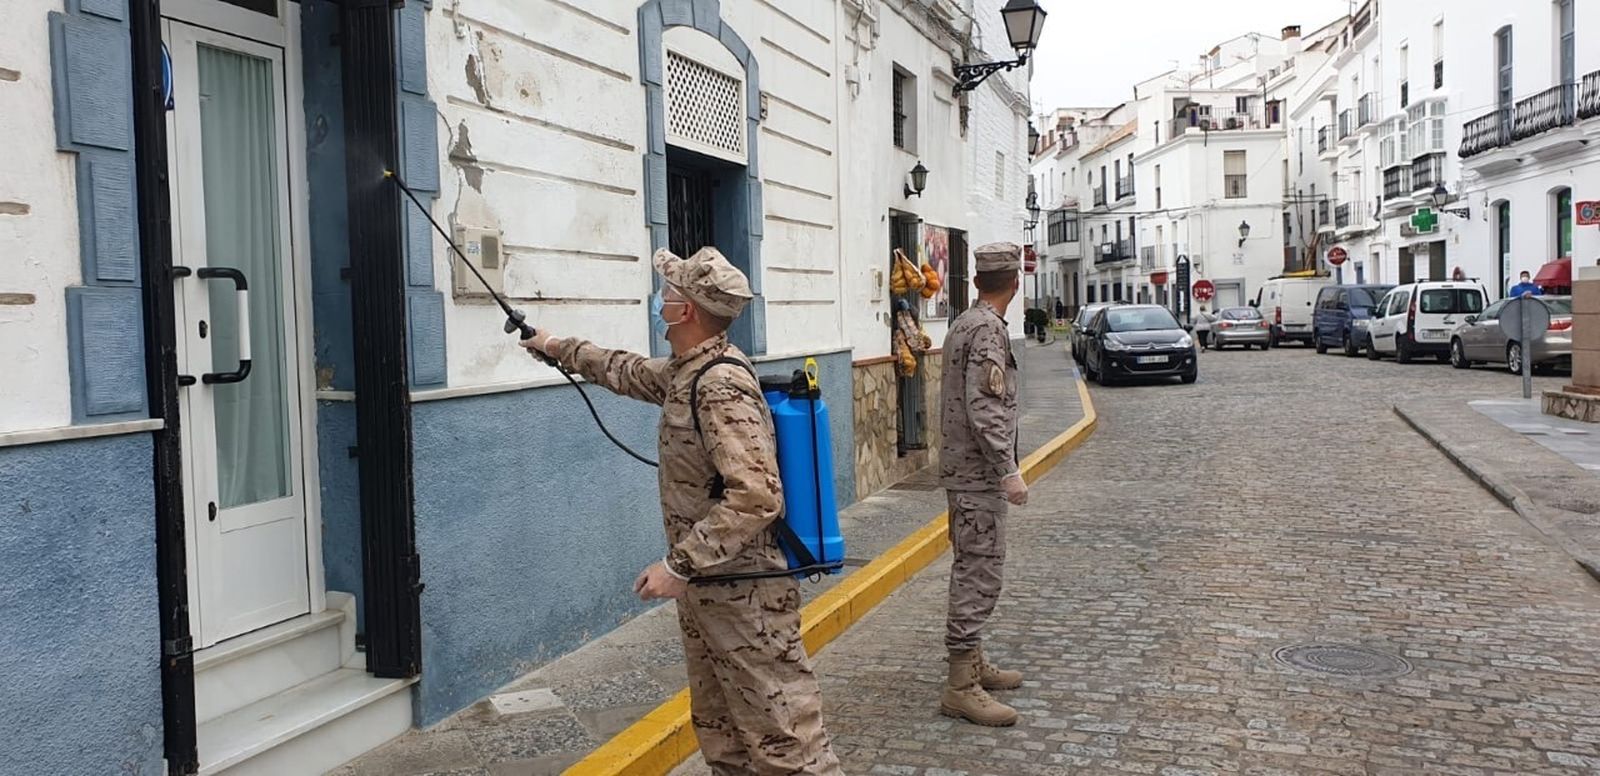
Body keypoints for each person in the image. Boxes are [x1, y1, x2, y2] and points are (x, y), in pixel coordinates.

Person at [521, 247, 842, 776]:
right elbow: (623, 370)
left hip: (747, 598)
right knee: (724, 736)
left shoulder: (720, 385)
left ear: (686, 310)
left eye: (667, 294)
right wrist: (556, 346)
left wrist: (678, 565)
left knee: (786, 745)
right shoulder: (688, 371)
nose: (660, 302)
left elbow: (758, 495)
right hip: (712, 593)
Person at [937, 242, 1028, 728]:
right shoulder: (988, 331)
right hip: (978, 475)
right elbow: (986, 408)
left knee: (972, 563)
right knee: (979, 572)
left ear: (977, 282)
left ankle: (973, 663)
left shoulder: (963, 323)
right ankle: (960, 686)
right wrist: (1008, 470)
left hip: (964, 471)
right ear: (1015, 284)